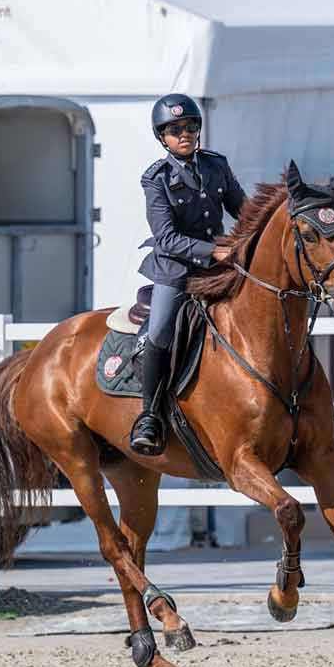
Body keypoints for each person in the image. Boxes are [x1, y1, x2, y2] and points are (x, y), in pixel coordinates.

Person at [130, 93, 247, 456]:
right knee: (161, 329)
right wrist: (214, 250)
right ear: (162, 138)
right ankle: (149, 415)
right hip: (176, 270)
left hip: (217, 267)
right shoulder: (156, 178)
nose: (185, 134)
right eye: (174, 129)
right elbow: (166, 238)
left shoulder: (216, 165)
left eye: (190, 126)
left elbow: (244, 211)